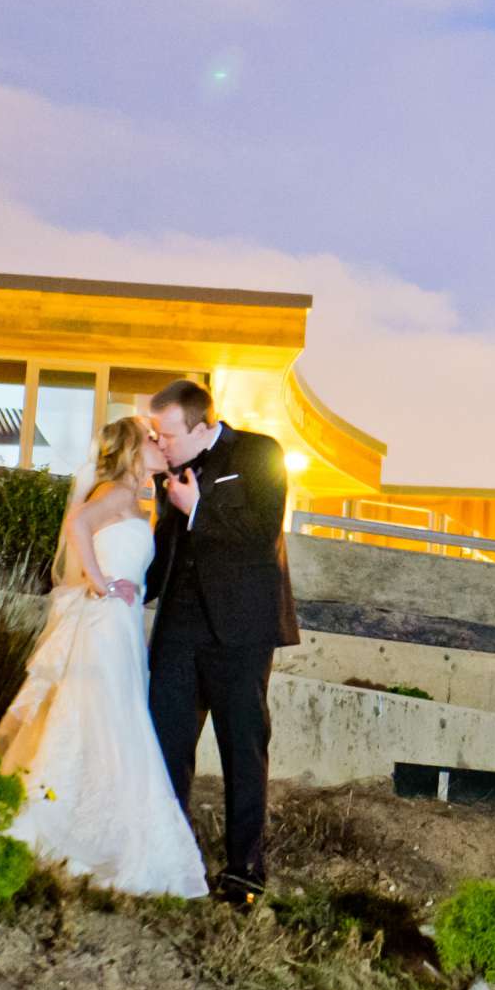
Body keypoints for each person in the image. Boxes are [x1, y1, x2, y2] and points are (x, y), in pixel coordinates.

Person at [0, 418, 207, 899]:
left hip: (121, 631)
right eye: (152, 440)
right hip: (105, 626)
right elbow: (78, 525)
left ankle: (94, 820)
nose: (160, 444)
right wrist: (100, 582)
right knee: (110, 723)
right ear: (132, 449)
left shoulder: (137, 500)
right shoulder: (116, 494)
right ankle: (90, 831)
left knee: (106, 723)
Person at [144, 378, 297, 907]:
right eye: (154, 435)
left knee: (242, 749)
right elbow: (165, 550)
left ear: (203, 426)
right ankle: (171, 860)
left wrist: (198, 509)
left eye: (166, 435)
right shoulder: (168, 475)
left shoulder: (258, 453)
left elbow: (262, 532)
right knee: (165, 746)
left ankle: (244, 874)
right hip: (179, 630)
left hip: (239, 633)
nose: (159, 444)